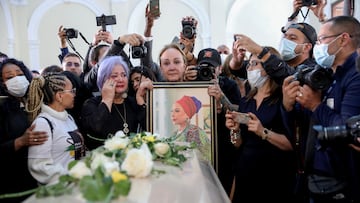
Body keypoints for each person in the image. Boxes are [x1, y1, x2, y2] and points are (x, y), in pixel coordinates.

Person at [296, 15, 360, 203]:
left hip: (343, 181)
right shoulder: (331, 73)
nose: (318, 46)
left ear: (343, 39)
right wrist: (293, 102)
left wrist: (316, 105)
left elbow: (348, 130)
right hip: (319, 175)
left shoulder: (355, 76)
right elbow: (313, 119)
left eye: (322, 40)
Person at [225, 47, 295, 203]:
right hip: (245, 173)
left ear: (268, 68)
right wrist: (234, 130)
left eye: (254, 64)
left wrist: (262, 131)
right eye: (248, 64)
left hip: (273, 177)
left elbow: (291, 145)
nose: (249, 68)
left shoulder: (282, 100)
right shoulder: (246, 101)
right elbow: (238, 144)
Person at [183, 47, 242, 196]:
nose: (207, 72)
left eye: (211, 68)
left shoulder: (229, 85)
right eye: (203, 67)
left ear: (220, 69)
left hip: (224, 146)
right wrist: (183, 80)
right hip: (199, 145)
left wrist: (221, 97)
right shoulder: (192, 82)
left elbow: (238, 112)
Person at [0, 58, 47, 202]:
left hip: (39, 177)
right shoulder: (2, 108)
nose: (17, 79)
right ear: (2, 83)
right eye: (9, 77)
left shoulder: (34, 102)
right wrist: (20, 142)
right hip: (13, 182)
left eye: (20, 74)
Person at [26, 72, 86, 185]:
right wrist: (69, 177)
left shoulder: (68, 118)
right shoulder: (42, 124)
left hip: (77, 185)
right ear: (59, 96)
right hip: (60, 189)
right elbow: (39, 166)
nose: (74, 95)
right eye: (72, 91)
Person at [81, 55, 151, 150]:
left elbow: (149, 130)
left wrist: (139, 99)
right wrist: (107, 100)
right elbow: (96, 128)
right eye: (114, 76)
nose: (120, 79)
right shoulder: (91, 104)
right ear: (103, 80)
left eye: (124, 75)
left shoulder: (132, 102)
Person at [171, 95, 210, 161]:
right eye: (171, 111)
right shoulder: (174, 134)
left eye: (177, 111)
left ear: (187, 115)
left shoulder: (194, 132)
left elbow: (194, 159)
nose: (172, 114)